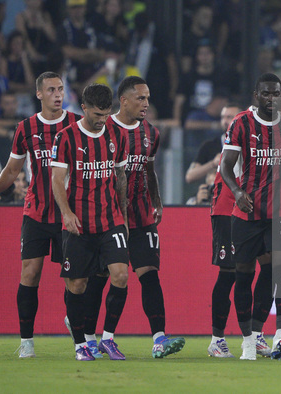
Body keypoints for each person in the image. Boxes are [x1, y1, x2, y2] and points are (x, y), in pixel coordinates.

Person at [67, 76, 185, 359]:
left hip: (142, 214)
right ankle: (89, 336)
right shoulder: (103, 128)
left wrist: (156, 201)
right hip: (107, 215)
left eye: (148, 98)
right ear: (123, 100)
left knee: (149, 274)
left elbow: (148, 169)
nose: (146, 104)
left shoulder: (151, 133)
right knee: (99, 278)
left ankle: (159, 339)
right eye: (141, 98)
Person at [0, 71, 82, 358]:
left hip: (68, 214)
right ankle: (26, 341)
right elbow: (13, 169)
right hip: (36, 213)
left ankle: (75, 327)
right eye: (51, 90)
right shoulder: (26, 128)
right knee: (30, 274)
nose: (58, 94)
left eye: (60, 89)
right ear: (38, 94)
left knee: (75, 280)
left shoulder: (76, 124)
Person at [220, 73, 281, 361]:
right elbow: (226, 165)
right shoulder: (241, 123)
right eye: (267, 94)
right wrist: (237, 192)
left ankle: (280, 334)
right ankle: (249, 339)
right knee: (244, 274)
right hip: (247, 211)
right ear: (256, 95)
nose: (273, 99)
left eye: (277, 94)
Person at [51, 83, 129, 361]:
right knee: (77, 285)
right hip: (78, 224)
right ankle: (80, 344)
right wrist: (66, 213)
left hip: (111, 220)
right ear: (83, 108)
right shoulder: (66, 138)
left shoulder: (117, 134)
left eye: (106, 114)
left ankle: (108, 338)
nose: (102, 120)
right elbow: (57, 179)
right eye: (97, 114)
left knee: (120, 275)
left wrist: (124, 215)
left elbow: (120, 177)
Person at [207, 103, 274, 358]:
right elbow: (228, 167)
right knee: (230, 272)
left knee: (270, 266)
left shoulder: (278, 125)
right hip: (228, 205)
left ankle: (256, 334)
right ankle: (217, 338)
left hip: (260, 207)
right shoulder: (245, 124)